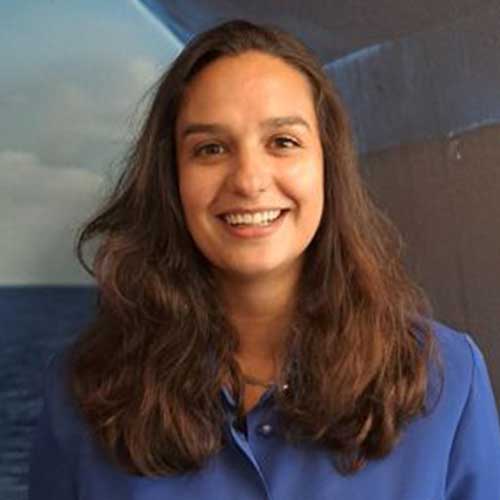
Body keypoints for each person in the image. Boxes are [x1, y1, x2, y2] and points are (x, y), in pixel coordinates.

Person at [28, 19, 500, 500]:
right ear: (172, 179)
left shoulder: (448, 380)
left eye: (283, 142)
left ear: (328, 166)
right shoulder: (82, 394)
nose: (249, 180)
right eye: (211, 149)